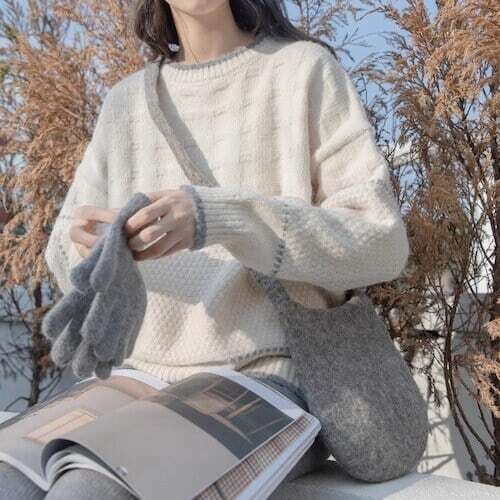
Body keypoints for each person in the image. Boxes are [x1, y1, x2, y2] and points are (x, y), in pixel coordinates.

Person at [1, 0, 411, 497]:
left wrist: (217, 218)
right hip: (135, 378)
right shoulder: (126, 102)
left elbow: (381, 241)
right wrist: (102, 254)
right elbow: (63, 249)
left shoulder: (304, 71)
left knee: (88, 492)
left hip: (265, 378)